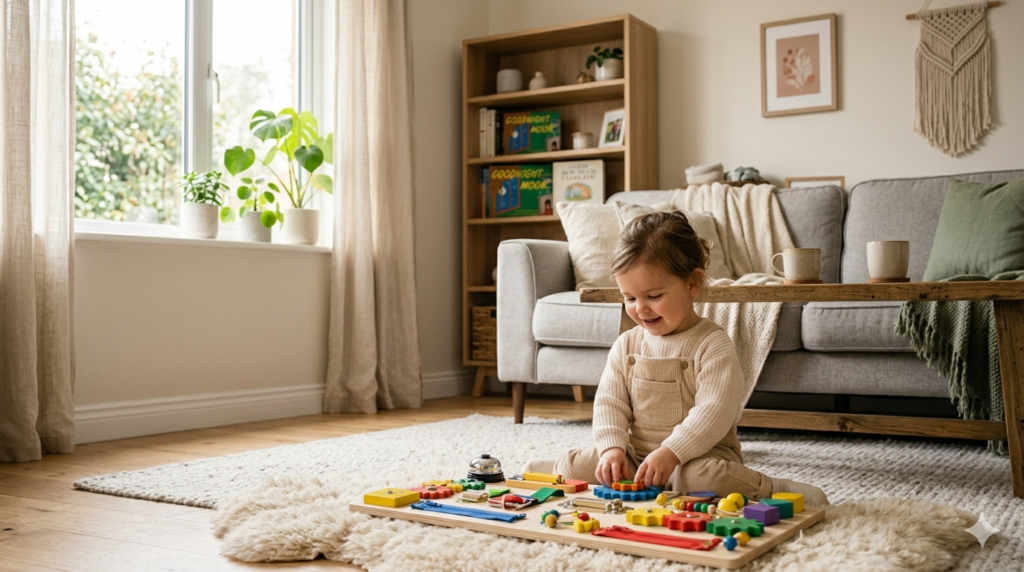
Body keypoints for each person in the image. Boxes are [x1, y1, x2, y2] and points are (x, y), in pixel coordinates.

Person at [523, 211, 829, 506]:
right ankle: (558, 468)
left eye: (653, 296)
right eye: (629, 298)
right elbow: (609, 404)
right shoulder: (626, 344)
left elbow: (714, 412)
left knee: (702, 479)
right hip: (638, 459)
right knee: (594, 464)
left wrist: (671, 453)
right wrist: (612, 449)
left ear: (692, 283)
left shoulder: (713, 344)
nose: (640, 309)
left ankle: (772, 487)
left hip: (698, 458)